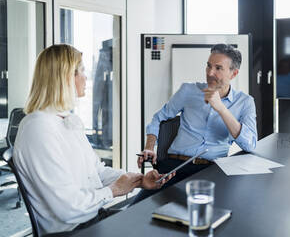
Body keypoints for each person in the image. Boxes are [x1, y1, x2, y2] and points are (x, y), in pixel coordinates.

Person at [13, 44, 173, 234]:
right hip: (74, 230)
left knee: (158, 224)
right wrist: (113, 190)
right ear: (64, 77)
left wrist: (138, 180)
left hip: (93, 218)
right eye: (80, 70)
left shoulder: (66, 120)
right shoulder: (38, 129)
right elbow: (67, 209)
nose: (85, 76)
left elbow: (96, 172)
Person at [134, 44, 257, 203]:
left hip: (211, 170)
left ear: (234, 73)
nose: (210, 73)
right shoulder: (188, 90)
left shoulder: (245, 102)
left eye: (218, 68)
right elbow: (159, 118)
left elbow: (250, 144)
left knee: (204, 215)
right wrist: (149, 146)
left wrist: (221, 109)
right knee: (137, 208)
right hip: (174, 167)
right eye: (208, 66)